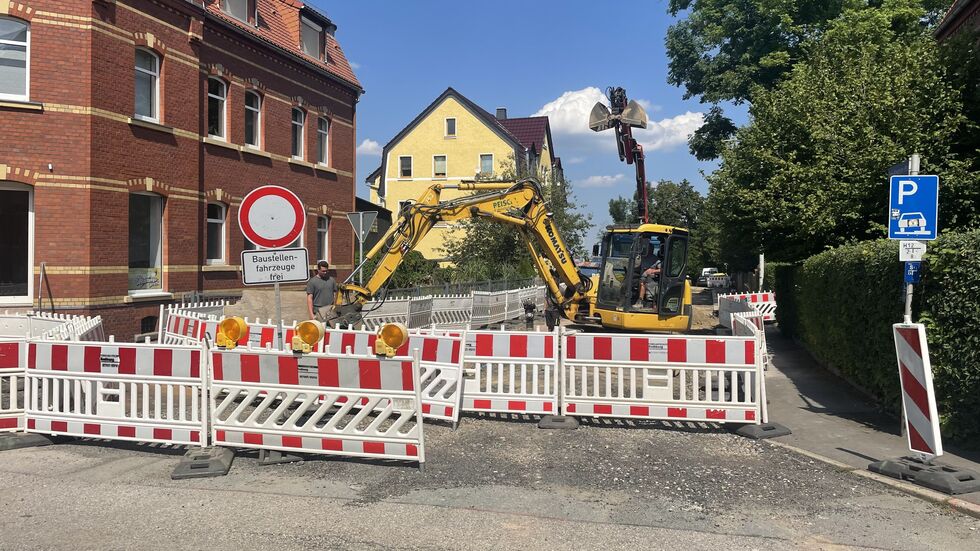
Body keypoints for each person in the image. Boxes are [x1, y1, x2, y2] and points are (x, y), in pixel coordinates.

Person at [306, 260, 337, 325]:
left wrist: (335, 307)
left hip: (330, 311)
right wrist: (311, 314)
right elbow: (309, 299)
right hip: (318, 311)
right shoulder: (312, 282)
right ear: (318, 270)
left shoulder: (332, 280)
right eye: (323, 271)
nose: (325, 272)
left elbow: (335, 295)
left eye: (326, 271)